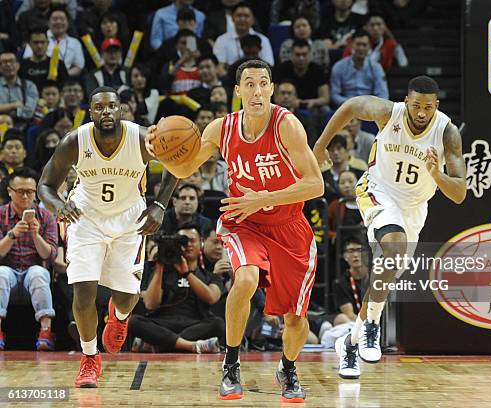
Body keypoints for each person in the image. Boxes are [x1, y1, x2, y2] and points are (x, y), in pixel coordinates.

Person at [146, 59, 324, 402]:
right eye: (250, 84)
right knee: (244, 279)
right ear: (238, 91)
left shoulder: (287, 125)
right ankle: (231, 363)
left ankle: (287, 367)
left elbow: (315, 185)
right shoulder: (220, 129)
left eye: (263, 84)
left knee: (295, 321)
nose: (257, 91)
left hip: (289, 228)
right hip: (244, 221)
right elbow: (184, 166)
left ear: (271, 89)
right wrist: (159, 152)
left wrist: (265, 198)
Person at [313, 75, 467, 379]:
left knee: (386, 271)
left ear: (436, 106)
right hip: (378, 190)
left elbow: (460, 193)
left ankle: (350, 343)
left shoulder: (447, 133)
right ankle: (373, 325)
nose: (421, 113)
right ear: (407, 102)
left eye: (427, 107)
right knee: (393, 250)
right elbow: (351, 106)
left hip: (414, 207)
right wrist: (319, 146)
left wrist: (438, 175)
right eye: (416, 105)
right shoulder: (388, 113)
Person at [37, 86, 179, 388]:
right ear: (90, 113)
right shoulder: (75, 141)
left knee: (128, 297)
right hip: (85, 218)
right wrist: (59, 206)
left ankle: (119, 315)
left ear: (121, 110)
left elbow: (175, 166)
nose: (106, 112)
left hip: (130, 220)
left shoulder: (142, 139)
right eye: (99, 107)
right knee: (83, 291)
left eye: (111, 106)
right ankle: (90, 357)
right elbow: (45, 185)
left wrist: (159, 204)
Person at [130, 222, 224, 354]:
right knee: (134, 322)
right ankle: (190, 346)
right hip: (162, 323)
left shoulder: (209, 276)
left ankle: (160, 344)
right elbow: (151, 304)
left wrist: (187, 274)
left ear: (201, 243)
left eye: (192, 240)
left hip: (194, 324)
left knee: (218, 324)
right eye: (183, 242)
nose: (188, 245)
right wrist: (160, 267)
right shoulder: (161, 271)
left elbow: (211, 298)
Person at [0, 167, 58, 351]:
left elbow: (49, 255)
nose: (25, 196)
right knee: (0, 274)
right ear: (10, 191)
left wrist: (35, 235)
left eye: (30, 192)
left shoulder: (46, 216)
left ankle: (46, 330)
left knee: (38, 273)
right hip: (8, 270)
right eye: (20, 191)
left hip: (33, 271)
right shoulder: (1, 214)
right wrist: (12, 234)